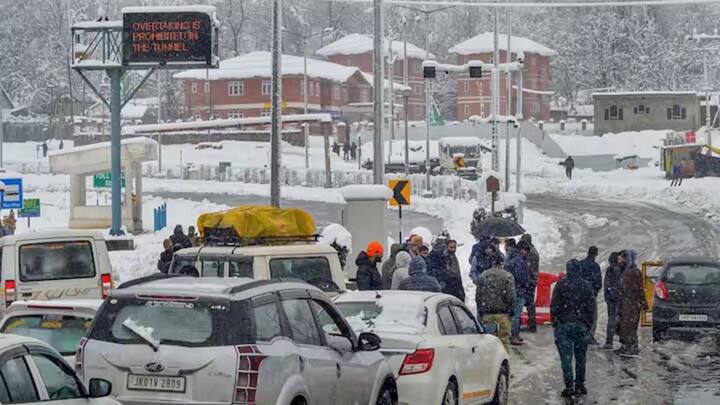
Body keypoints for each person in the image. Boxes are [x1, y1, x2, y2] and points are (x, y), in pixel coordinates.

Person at [550, 259, 596, 398]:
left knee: (566, 358)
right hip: (581, 326)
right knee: (581, 357)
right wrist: (587, 325)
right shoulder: (586, 286)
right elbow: (592, 308)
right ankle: (580, 385)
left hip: (564, 325)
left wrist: (556, 322)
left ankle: (569, 386)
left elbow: (554, 306)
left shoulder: (561, 284)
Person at [476, 255, 516, 351]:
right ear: (502, 263)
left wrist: (481, 311)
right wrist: (511, 310)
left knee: (488, 341)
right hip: (502, 314)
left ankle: (490, 362)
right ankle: (503, 363)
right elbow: (511, 296)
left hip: (487, 313)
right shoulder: (507, 276)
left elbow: (478, 296)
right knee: (503, 340)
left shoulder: (483, 276)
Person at [616, 250, 647, 357]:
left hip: (631, 304)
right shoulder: (626, 271)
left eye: (621, 259)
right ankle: (627, 346)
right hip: (625, 303)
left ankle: (632, 347)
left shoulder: (634, 272)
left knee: (630, 326)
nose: (619, 261)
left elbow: (639, 289)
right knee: (624, 325)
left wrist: (642, 303)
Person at [506, 241, 531, 346]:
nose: (526, 253)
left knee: (513, 314)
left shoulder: (512, 259)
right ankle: (514, 336)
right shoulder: (519, 261)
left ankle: (513, 334)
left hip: (512, 290)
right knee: (516, 315)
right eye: (526, 250)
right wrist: (527, 283)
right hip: (518, 290)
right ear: (521, 250)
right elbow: (521, 277)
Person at [578, 246, 602, 344]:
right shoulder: (596, 266)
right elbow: (598, 283)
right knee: (592, 316)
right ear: (595, 254)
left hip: (580, 295)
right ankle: (590, 336)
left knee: (581, 314)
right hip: (591, 295)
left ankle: (580, 334)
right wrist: (594, 292)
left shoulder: (580, 264)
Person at [602, 252, 623, 350]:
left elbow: (607, 285)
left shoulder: (610, 269)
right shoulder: (622, 269)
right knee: (619, 318)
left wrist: (609, 296)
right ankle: (622, 341)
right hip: (619, 298)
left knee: (611, 319)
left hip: (612, 299)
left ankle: (609, 341)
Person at [520, 234, 540, 332]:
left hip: (530, 281)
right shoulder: (533, 250)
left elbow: (529, 269)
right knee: (529, 303)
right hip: (532, 280)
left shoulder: (531, 253)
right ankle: (532, 324)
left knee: (529, 303)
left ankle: (532, 325)